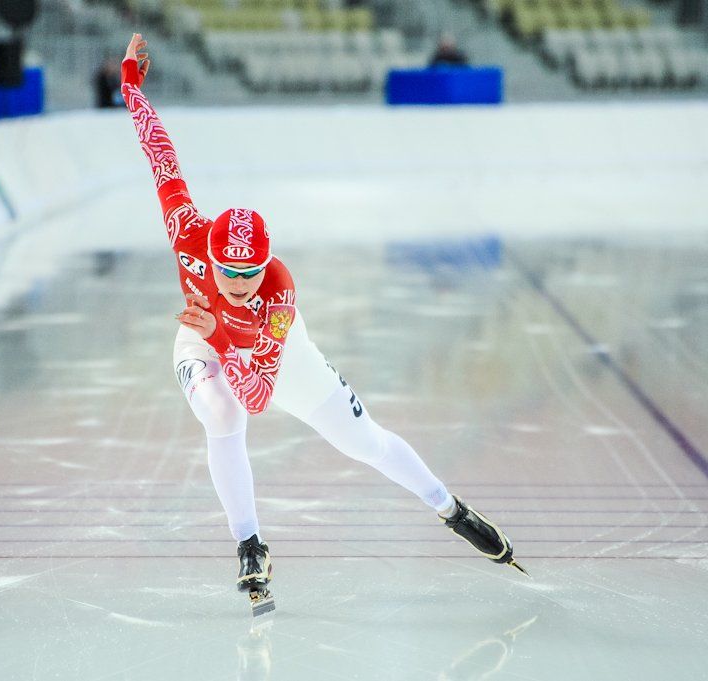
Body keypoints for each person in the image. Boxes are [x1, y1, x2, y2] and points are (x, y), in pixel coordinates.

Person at [119, 33, 525, 608]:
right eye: (229, 272)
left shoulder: (278, 292)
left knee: (364, 443)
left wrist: (224, 330)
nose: (239, 282)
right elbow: (162, 158)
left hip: (269, 351)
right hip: (203, 338)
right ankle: (249, 544)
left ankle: (449, 508)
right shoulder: (187, 232)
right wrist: (131, 87)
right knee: (219, 411)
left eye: (251, 271)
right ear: (207, 256)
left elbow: (261, 392)